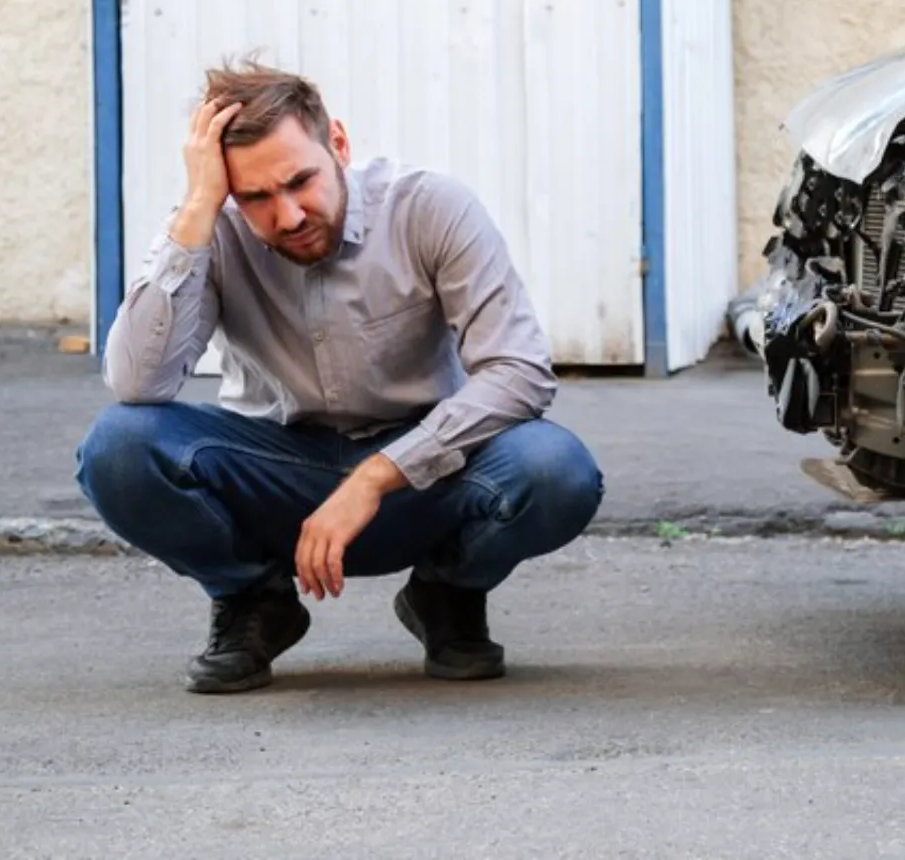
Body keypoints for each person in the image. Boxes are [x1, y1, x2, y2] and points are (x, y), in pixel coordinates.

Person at [75, 61, 603, 694]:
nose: (290, 215)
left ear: (340, 145)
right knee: (118, 447)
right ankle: (252, 600)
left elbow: (519, 372)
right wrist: (197, 211)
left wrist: (378, 475)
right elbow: (137, 385)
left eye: (301, 181)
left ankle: (447, 593)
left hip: (426, 476)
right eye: (257, 198)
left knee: (555, 468)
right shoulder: (210, 228)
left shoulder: (428, 208)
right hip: (278, 475)